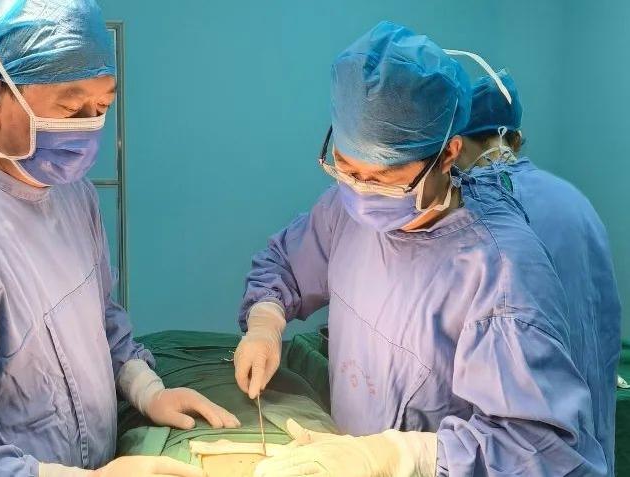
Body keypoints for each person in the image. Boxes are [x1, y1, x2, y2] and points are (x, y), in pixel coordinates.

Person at [235, 21, 607, 476]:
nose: (361, 191)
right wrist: (265, 322)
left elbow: (540, 450)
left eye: (384, 177)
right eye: (346, 168)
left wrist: (400, 457)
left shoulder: (500, 274)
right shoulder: (342, 210)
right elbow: (285, 264)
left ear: (448, 154)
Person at [0, 1, 239, 476]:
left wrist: (146, 389)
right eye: (70, 109)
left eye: (101, 107)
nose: (88, 125)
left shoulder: (72, 194)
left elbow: (100, 315)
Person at [455, 70, 622, 475]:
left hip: (520, 449)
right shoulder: (573, 199)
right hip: (590, 435)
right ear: (515, 136)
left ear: (454, 142)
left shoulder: (475, 208)